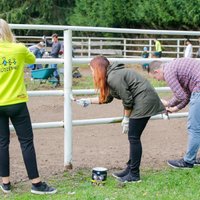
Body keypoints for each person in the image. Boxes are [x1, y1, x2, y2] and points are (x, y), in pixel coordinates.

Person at [76, 56, 165, 183]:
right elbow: (107, 98)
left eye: (92, 70)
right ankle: (129, 169)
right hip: (142, 100)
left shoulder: (114, 77)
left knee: (134, 137)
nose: (92, 73)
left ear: (99, 69)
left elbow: (127, 99)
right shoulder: (111, 75)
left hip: (144, 101)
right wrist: (88, 101)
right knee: (133, 137)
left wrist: (126, 118)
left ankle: (134, 174)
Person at [0, 18, 57, 194]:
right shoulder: (19, 49)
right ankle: (36, 183)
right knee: (26, 142)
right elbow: (32, 59)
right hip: (17, 102)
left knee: (2, 143)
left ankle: (5, 183)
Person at [147, 58, 200, 169]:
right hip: (196, 86)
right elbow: (187, 95)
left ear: (157, 71)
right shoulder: (174, 66)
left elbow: (181, 96)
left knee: (194, 128)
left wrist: (168, 103)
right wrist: (175, 108)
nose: (157, 80)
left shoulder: (169, 72)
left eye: (155, 77)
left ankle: (188, 161)